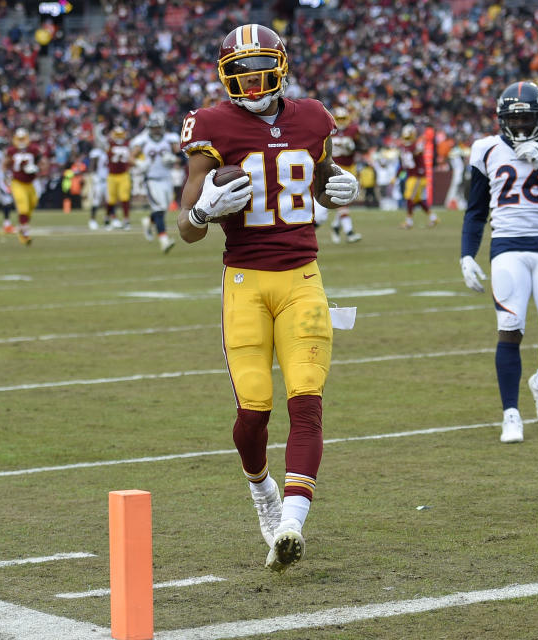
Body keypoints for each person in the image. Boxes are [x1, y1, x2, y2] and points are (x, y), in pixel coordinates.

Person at [175, 23, 359, 573]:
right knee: (252, 412)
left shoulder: (313, 116)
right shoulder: (209, 124)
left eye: (261, 71)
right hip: (245, 284)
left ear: (280, 67)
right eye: (240, 74)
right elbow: (187, 226)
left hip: (303, 277)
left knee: (306, 403)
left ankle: (292, 525)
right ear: (226, 77)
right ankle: (262, 493)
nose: (252, 84)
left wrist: (340, 184)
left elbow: (321, 178)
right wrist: (204, 211)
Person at [459, 81, 538, 443]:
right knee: (510, 327)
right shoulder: (486, 149)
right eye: (513, 121)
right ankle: (510, 414)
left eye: (527, 119)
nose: (520, 128)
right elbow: (476, 210)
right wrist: (467, 253)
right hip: (507, 247)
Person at [131, 111, 180, 253]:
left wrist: (173, 159)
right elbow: (130, 157)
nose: (155, 130)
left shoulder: (170, 139)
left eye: (157, 127)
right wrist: (139, 164)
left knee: (162, 209)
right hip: (151, 179)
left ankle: (148, 221)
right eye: (153, 127)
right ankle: (164, 240)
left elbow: (181, 157)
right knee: (159, 209)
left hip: (166, 178)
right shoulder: (143, 140)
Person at [327, 106, 362, 243]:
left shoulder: (353, 130)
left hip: (350, 167)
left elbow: (362, 145)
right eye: (339, 118)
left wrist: (353, 147)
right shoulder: (329, 129)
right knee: (342, 200)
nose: (341, 121)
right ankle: (349, 232)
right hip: (335, 168)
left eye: (343, 118)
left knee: (348, 199)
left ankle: (336, 226)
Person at [5, 127, 45, 246]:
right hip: (17, 182)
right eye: (19, 138)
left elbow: (42, 162)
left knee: (31, 206)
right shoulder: (11, 150)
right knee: (23, 207)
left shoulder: (33, 149)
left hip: (31, 183)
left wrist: (37, 168)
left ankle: (23, 227)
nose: (21, 141)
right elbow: (5, 164)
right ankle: (25, 234)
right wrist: (5, 177)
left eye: (23, 138)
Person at [397, 124, 439, 229]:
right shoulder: (404, 147)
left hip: (417, 177)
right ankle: (433, 218)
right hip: (411, 176)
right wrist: (397, 175)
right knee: (417, 200)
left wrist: (421, 174)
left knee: (410, 198)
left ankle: (409, 222)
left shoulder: (416, 146)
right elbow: (404, 163)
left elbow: (418, 159)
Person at [106, 125, 132, 229]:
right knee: (111, 200)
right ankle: (108, 218)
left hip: (123, 174)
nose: (119, 136)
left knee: (124, 197)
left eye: (120, 134)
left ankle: (126, 220)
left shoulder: (127, 144)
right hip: (112, 175)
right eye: (117, 134)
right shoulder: (110, 144)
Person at [85, 140, 108, 230]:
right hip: (98, 179)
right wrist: (93, 175)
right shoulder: (96, 152)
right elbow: (92, 164)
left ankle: (107, 220)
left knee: (109, 201)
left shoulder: (107, 152)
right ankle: (92, 220)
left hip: (107, 179)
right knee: (96, 200)